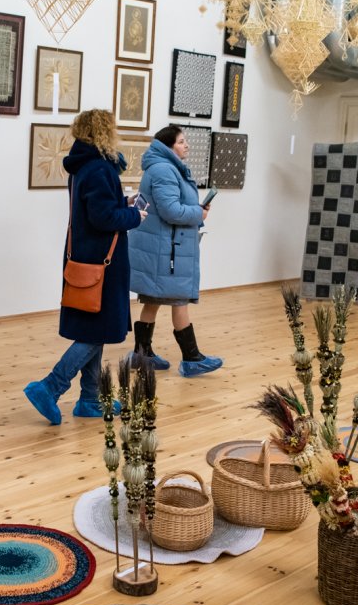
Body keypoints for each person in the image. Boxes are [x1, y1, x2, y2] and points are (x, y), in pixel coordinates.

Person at [24, 109, 144, 425]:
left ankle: (90, 398)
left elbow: (96, 210)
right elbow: (103, 218)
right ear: (104, 132)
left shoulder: (83, 167)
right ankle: (50, 387)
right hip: (102, 263)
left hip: (87, 258)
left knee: (96, 329)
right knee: (95, 332)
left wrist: (123, 204)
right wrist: (134, 215)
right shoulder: (100, 169)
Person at [128, 126, 223, 377]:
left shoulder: (164, 167)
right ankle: (191, 359)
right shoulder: (164, 170)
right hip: (167, 250)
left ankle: (141, 355)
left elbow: (170, 205)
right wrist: (199, 214)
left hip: (163, 247)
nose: (186, 145)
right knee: (179, 299)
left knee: (153, 300)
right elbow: (170, 211)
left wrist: (196, 209)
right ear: (169, 146)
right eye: (181, 141)